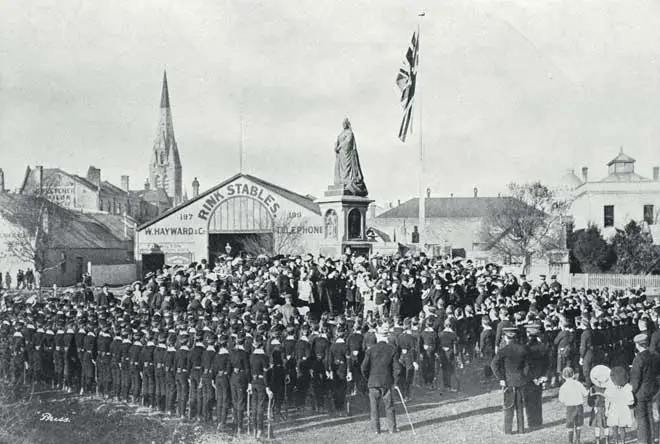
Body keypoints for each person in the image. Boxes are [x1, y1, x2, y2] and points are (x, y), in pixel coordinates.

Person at [360, 324, 401, 435]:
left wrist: (368, 378)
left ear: (377, 336)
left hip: (373, 381)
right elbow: (397, 368)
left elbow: (363, 367)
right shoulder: (392, 349)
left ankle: (376, 430)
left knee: (374, 407)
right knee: (389, 406)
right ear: (387, 336)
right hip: (387, 382)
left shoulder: (370, 350)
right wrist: (395, 381)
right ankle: (392, 429)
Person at [491, 326, 529, 435]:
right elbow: (527, 365)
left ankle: (508, 430)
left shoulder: (503, 350)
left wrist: (501, 378)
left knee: (508, 407)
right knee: (520, 407)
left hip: (508, 381)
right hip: (520, 380)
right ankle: (521, 429)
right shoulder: (523, 349)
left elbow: (494, 365)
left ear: (506, 337)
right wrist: (524, 376)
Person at [630, 333, 660, 444]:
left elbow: (635, 379)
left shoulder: (638, 359)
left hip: (641, 392)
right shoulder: (655, 355)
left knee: (642, 418)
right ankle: (652, 438)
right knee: (650, 415)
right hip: (653, 389)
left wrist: (631, 391)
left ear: (638, 345)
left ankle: (643, 440)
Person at [605, 366, 634, 444]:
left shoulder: (610, 389)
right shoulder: (627, 388)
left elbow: (607, 400)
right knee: (622, 427)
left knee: (614, 427)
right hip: (623, 410)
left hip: (613, 409)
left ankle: (616, 441)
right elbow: (631, 402)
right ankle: (623, 441)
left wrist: (606, 410)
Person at [558, 367, 588, 444]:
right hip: (579, 406)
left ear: (563, 376)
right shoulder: (578, 384)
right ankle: (578, 440)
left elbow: (561, 399)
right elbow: (585, 393)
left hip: (570, 408)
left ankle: (570, 441)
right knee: (579, 424)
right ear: (574, 375)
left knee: (570, 425)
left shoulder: (563, 387)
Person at [587, 365, 610, 444]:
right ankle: (607, 440)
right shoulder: (607, 388)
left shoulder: (592, 388)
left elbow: (589, 401)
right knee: (606, 425)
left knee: (597, 425)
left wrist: (593, 406)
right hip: (606, 408)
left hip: (596, 409)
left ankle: (597, 440)